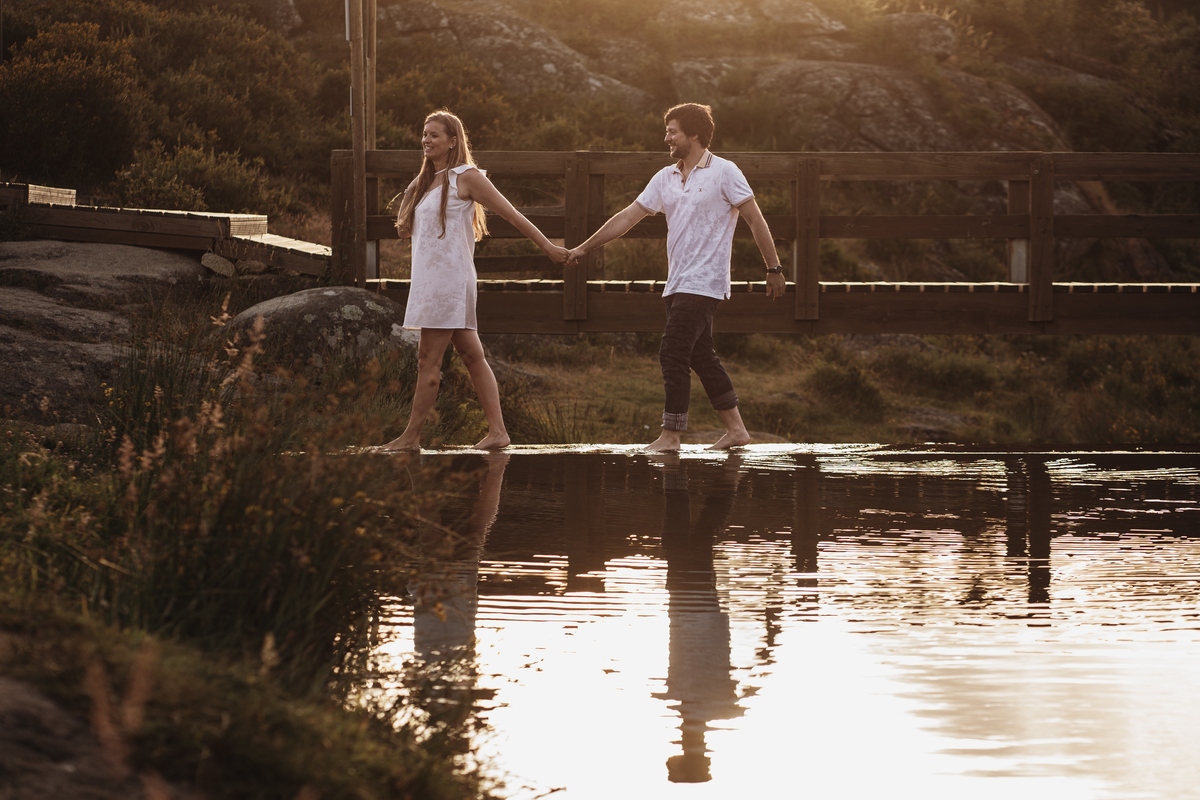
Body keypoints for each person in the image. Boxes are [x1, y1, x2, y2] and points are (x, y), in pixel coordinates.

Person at [567, 103, 786, 452]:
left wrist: (773, 268)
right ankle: (737, 431)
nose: (666, 137)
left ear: (694, 134)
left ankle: (671, 436)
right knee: (701, 356)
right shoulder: (664, 177)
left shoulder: (725, 172)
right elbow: (627, 217)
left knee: (672, 353)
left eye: (673, 131)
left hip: (704, 282)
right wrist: (583, 248)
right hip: (677, 283)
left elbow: (755, 220)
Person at [381, 110, 568, 451]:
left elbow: (511, 213)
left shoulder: (465, 176)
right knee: (471, 355)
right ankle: (498, 432)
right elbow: (403, 230)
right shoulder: (427, 181)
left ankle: (410, 437)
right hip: (429, 280)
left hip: (449, 280)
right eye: (424, 134)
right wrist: (411, 191)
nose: (426, 140)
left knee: (427, 358)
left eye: (434, 135)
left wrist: (548, 247)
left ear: (453, 141)